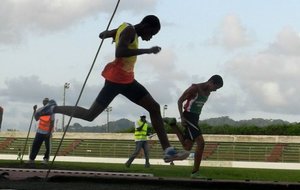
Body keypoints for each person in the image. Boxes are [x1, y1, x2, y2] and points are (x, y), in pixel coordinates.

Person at [34, 15, 189, 162]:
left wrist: (108, 34)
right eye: (152, 33)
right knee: (89, 115)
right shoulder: (129, 30)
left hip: (127, 80)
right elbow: (120, 51)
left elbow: (103, 34)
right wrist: (147, 50)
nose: (151, 37)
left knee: (154, 108)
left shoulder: (125, 28)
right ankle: (53, 109)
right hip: (115, 81)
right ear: (146, 26)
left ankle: (168, 151)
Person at [164, 75, 223, 178]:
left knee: (187, 147)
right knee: (201, 143)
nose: (215, 91)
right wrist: (182, 117)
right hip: (188, 117)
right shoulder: (195, 88)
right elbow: (180, 100)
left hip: (195, 118)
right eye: (216, 88)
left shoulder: (208, 92)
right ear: (211, 82)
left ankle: (173, 124)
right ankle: (195, 172)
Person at [28, 98, 55, 164]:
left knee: (47, 147)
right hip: (40, 131)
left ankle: (45, 159)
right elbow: (36, 118)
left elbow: (52, 122)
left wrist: (49, 132)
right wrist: (34, 110)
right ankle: (31, 159)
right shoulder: (40, 110)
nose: (44, 103)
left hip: (47, 132)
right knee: (35, 145)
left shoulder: (51, 111)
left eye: (46, 102)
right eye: (44, 101)